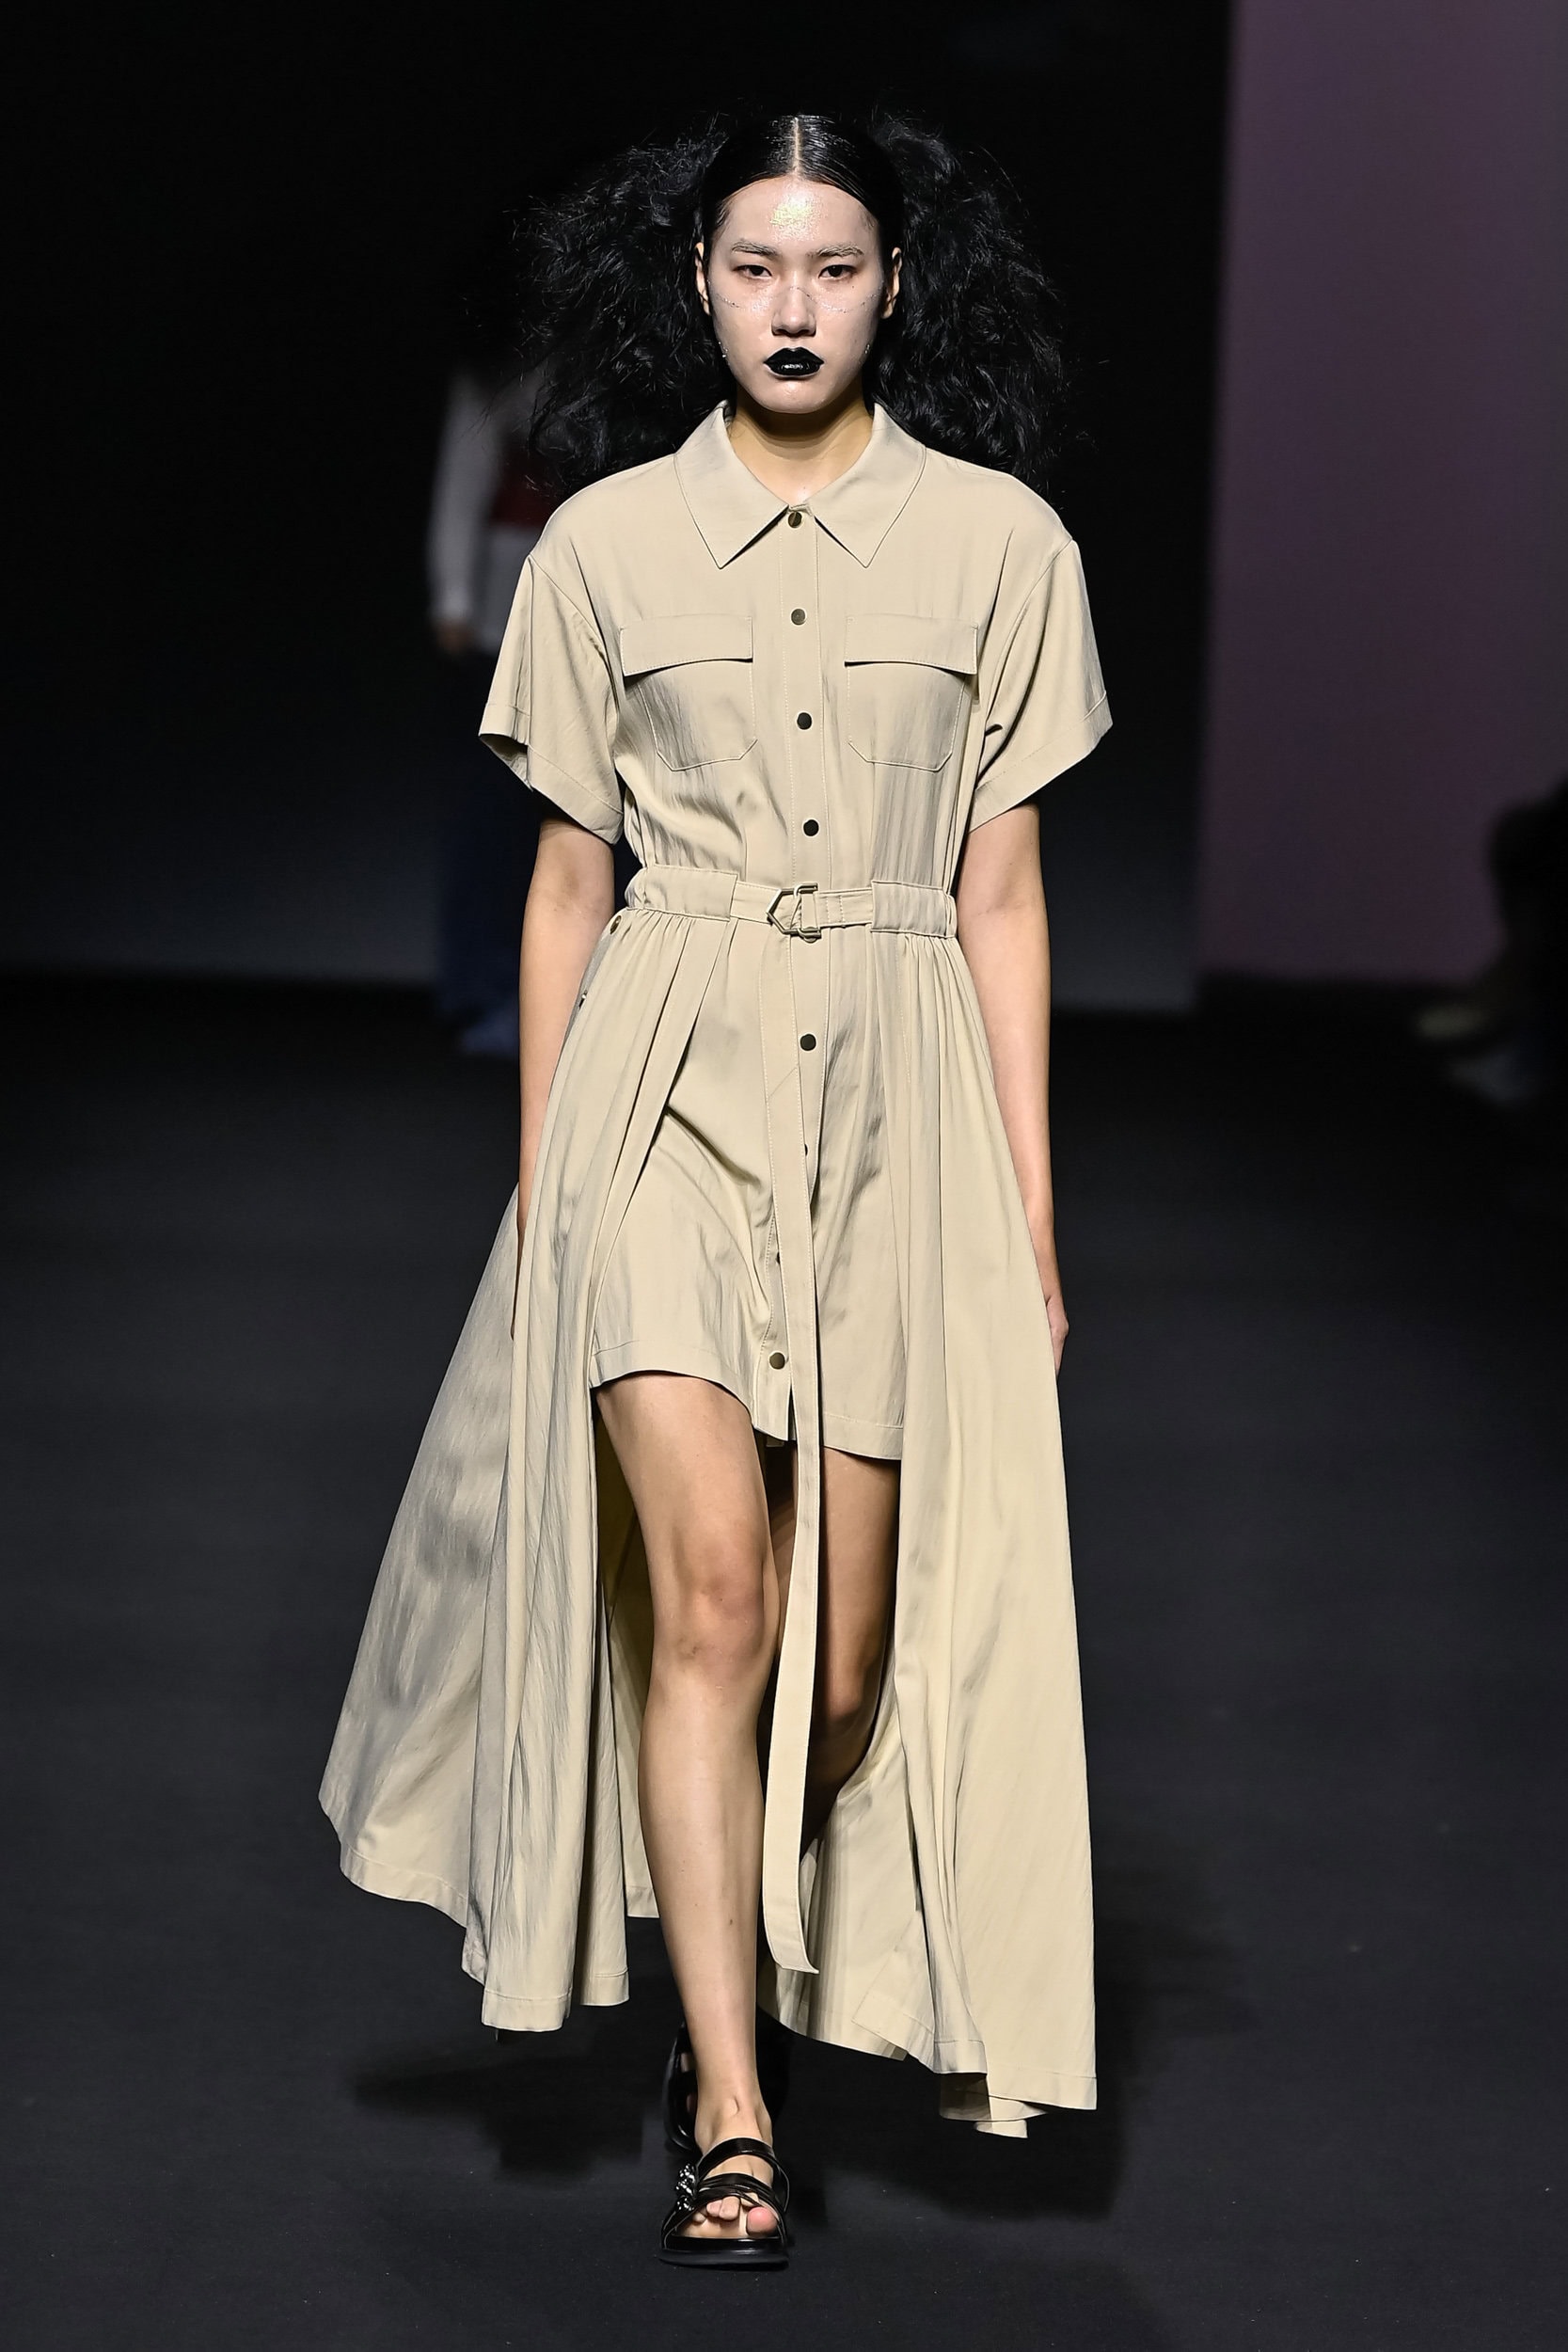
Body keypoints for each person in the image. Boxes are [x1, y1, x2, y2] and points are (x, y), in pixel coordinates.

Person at [322, 109, 1111, 2270]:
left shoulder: (1003, 547)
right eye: (754, 265)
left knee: (838, 1669)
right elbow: (564, 890)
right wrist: (550, 1199)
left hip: (898, 1111)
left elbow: (1005, 898)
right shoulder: (603, 547)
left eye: (834, 267)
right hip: (659, 1091)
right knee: (713, 1600)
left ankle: (720, 1967)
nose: (791, 306)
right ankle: (736, 2102)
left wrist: (1031, 1221)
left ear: (894, 288)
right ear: (696, 282)